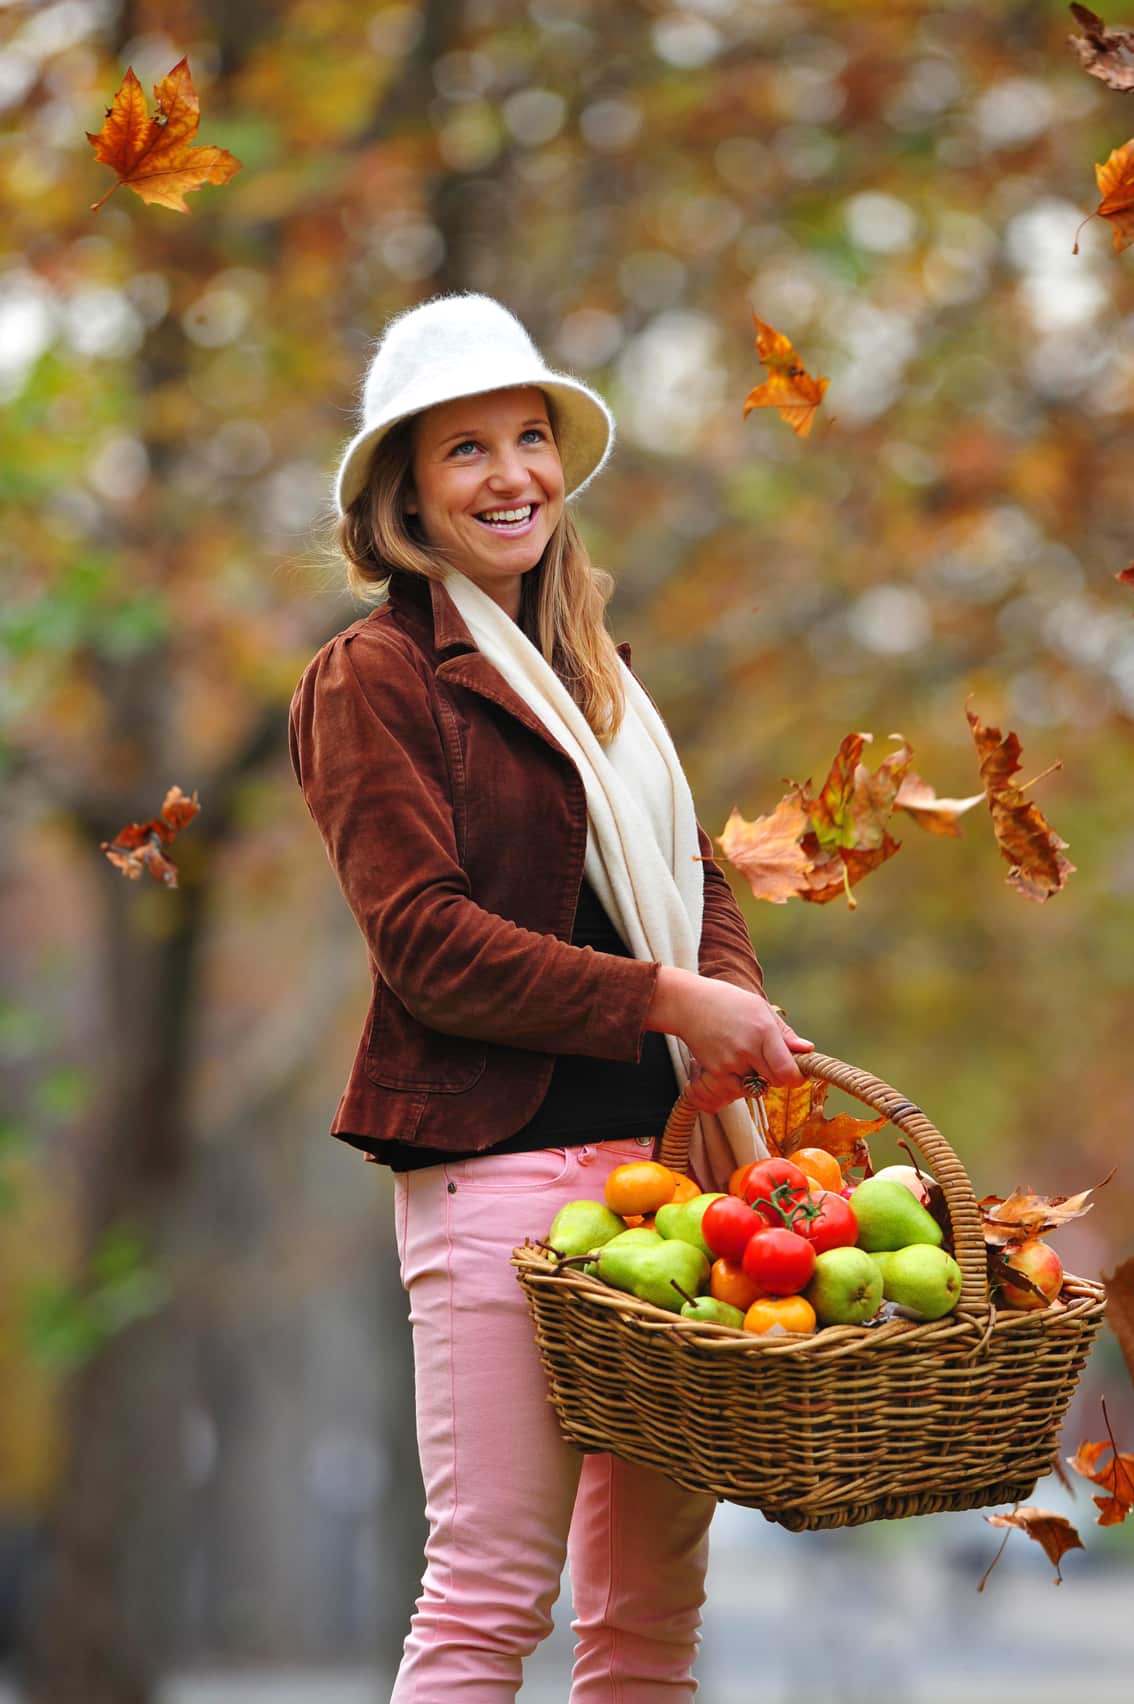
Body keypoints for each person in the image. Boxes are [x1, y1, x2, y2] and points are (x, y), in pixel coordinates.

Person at [288, 293, 813, 1703]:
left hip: (668, 1179)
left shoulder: (607, 692)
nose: (508, 473)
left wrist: (722, 1025)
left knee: (646, 1620)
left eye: (527, 438)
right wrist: (662, 999)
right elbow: (425, 942)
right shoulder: (374, 677)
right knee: (488, 1602)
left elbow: (699, 893)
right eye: (464, 451)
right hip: (495, 1177)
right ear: (403, 490)